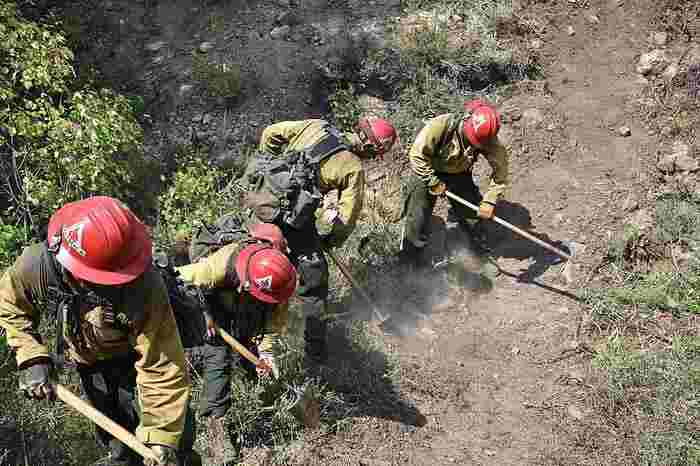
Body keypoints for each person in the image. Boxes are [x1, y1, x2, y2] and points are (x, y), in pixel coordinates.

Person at [0, 196, 197, 466]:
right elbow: (9, 304)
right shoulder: (39, 263)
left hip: (135, 360)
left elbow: (162, 365)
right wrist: (32, 356)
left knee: (176, 444)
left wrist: (161, 440)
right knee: (119, 447)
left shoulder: (144, 286)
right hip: (91, 365)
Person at [242, 115, 398, 362]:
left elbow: (271, 132)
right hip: (291, 217)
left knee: (250, 260)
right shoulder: (352, 166)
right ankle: (315, 351)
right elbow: (348, 217)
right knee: (315, 277)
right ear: (369, 146)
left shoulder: (316, 125)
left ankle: (245, 329)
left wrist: (267, 160)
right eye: (374, 153)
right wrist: (331, 240)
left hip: (259, 200)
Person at [175, 222, 297, 465]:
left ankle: (264, 402)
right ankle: (217, 429)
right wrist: (203, 313)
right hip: (216, 313)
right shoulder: (220, 265)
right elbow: (178, 279)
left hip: (246, 315)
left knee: (255, 364)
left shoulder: (282, 278)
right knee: (218, 362)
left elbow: (274, 321)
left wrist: (267, 350)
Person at [401, 100, 510, 276]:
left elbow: (501, 174)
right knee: (417, 215)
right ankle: (409, 262)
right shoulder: (441, 125)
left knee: (472, 214)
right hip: (428, 170)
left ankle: (479, 255)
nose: (475, 145)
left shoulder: (489, 140)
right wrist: (433, 182)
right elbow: (416, 155)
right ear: (466, 121)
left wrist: (489, 201)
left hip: (459, 173)